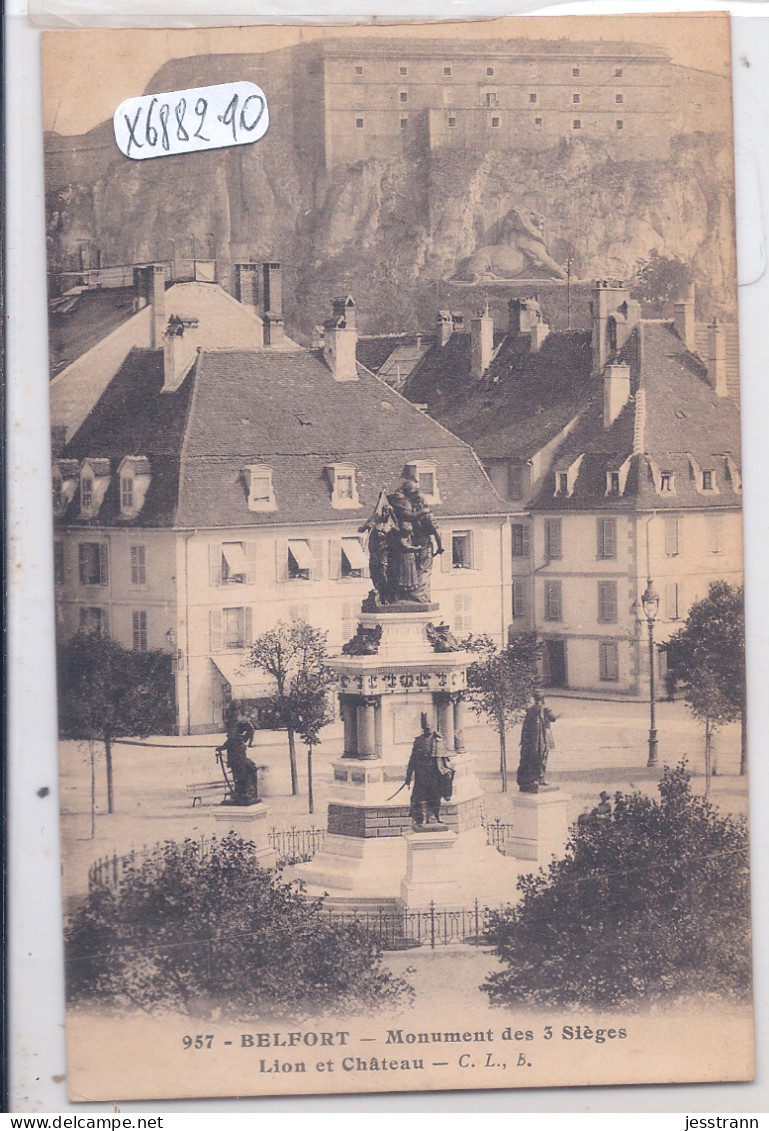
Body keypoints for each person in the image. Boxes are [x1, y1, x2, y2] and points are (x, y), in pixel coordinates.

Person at [405, 713, 454, 829]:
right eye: (425, 727)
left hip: (435, 774)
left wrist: (447, 773)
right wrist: (408, 777)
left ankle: (435, 817)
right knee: (421, 796)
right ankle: (422, 818)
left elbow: (445, 759)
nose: (427, 729)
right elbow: (412, 760)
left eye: (429, 727)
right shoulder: (418, 741)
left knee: (436, 796)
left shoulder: (439, 740)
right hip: (421, 774)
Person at [216, 708, 259, 806]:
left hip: (237, 753)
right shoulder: (234, 724)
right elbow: (230, 740)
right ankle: (239, 794)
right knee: (238, 774)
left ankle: (243, 794)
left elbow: (251, 730)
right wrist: (222, 747)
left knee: (241, 773)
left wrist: (243, 740)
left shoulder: (239, 723)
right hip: (234, 753)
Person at [516, 691, 556, 793]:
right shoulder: (538, 710)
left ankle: (537, 779)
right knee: (540, 758)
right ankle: (538, 779)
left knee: (537, 758)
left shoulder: (535, 710)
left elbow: (525, 727)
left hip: (537, 740)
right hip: (538, 739)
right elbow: (553, 718)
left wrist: (523, 739)